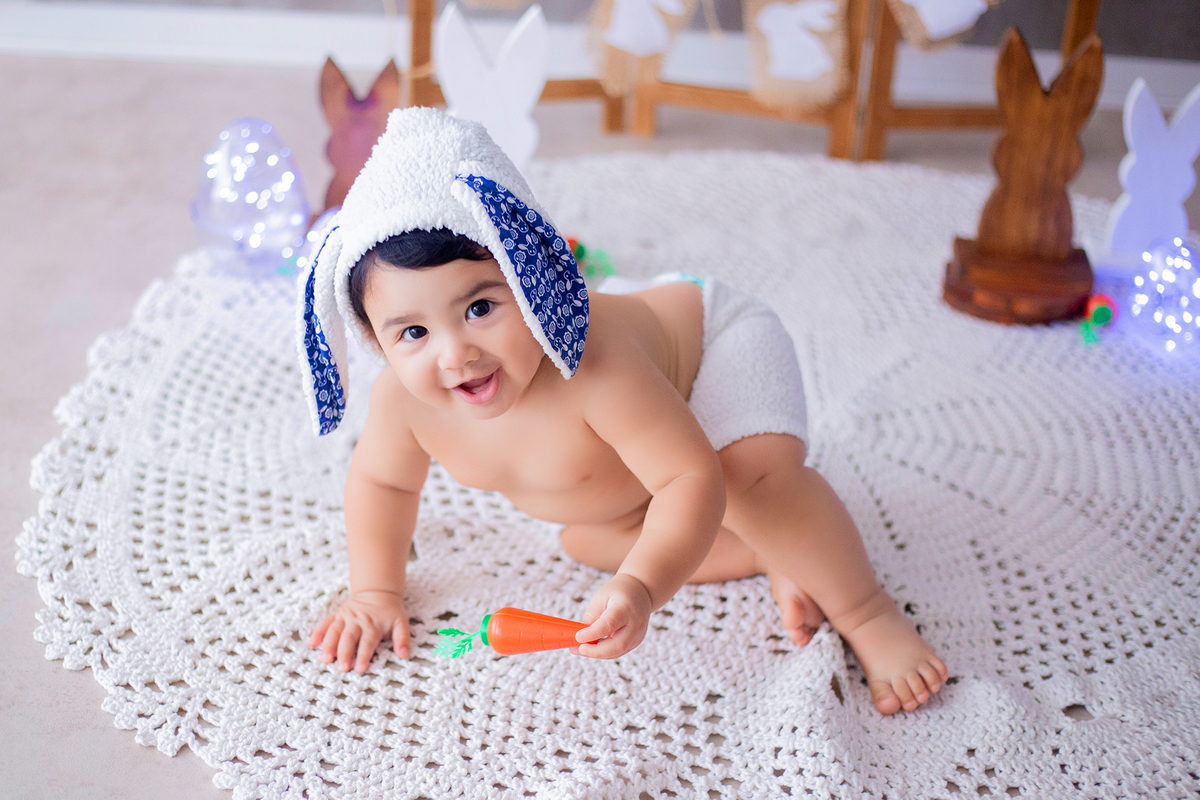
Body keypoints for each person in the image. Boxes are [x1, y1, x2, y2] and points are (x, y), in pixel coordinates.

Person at [298, 108, 946, 714]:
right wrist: (375, 592)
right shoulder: (404, 404)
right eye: (412, 333)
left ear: (532, 281)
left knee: (748, 480)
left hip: (710, 344)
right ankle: (773, 551)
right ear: (373, 339)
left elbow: (688, 478)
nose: (455, 354)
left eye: (480, 308)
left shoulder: (593, 366)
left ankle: (868, 613)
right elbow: (382, 483)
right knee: (589, 539)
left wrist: (642, 588)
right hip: (624, 447)